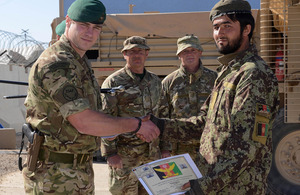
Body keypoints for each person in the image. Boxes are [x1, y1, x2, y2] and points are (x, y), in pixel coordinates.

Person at [22, 0, 160, 194]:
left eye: (96, 27)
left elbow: (90, 118)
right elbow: (84, 122)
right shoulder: (57, 63)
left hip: (75, 170)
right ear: (68, 22)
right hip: (54, 175)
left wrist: (112, 128)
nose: (90, 32)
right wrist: (136, 124)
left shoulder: (79, 61)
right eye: (84, 25)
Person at [150, 0, 280, 194]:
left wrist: (200, 188)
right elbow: (205, 124)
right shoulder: (228, 72)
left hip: (237, 188)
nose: (220, 33)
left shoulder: (252, 74)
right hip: (215, 184)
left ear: (246, 29)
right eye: (216, 27)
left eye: (227, 26)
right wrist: (158, 125)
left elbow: (247, 147)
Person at [100, 36, 162, 195]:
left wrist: (164, 148)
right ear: (124, 54)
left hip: (151, 154)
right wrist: (110, 153)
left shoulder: (155, 81)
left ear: (146, 54)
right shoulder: (114, 82)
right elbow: (106, 120)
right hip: (125, 156)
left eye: (140, 51)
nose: (136, 55)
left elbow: (161, 115)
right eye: (131, 52)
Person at [159, 35, 217, 160]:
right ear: (179, 55)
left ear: (200, 53)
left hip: (209, 146)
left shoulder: (214, 79)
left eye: (193, 50)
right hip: (179, 149)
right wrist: (165, 148)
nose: (189, 54)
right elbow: (163, 115)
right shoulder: (169, 82)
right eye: (185, 51)